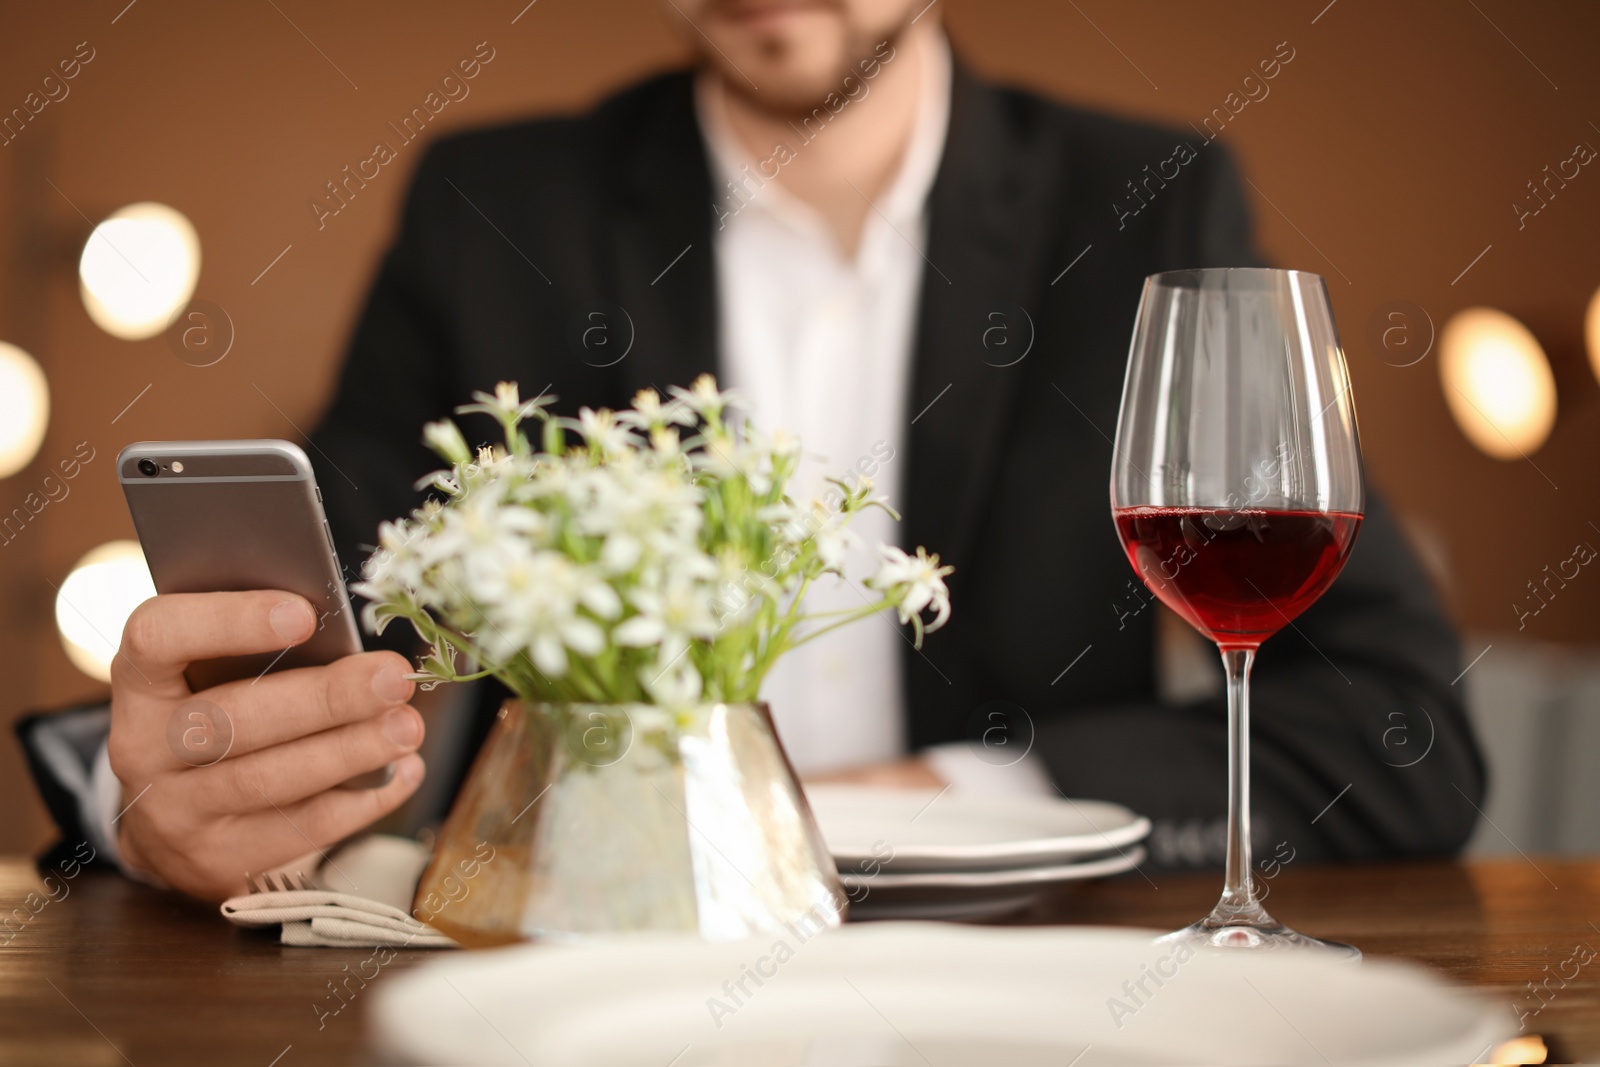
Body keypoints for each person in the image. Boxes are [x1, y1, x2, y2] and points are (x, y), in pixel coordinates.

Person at [19, 0, 1483, 900]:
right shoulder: (500, 202)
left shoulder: (1148, 202)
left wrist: (939, 801)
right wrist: (156, 804)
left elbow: (1399, 733)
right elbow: (324, 621)